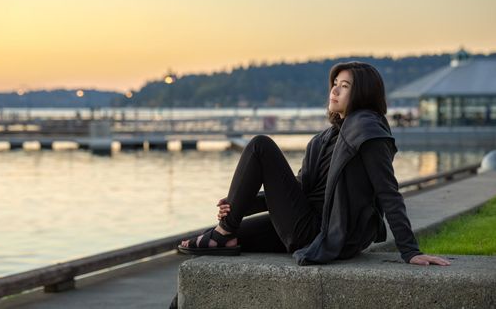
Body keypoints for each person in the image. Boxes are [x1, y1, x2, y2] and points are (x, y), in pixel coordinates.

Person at [178, 61, 450, 267]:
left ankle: (224, 230)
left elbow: (388, 192)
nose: (335, 89)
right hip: (305, 221)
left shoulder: (369, 133)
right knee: (220, 241)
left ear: (363, 94)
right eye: (335, 83)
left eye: (345, 86)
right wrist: (240, 205)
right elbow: (298, 188)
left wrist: (410, 250)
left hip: (326, 231)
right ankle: (226, 230)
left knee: (260, 146)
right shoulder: (326, 138)